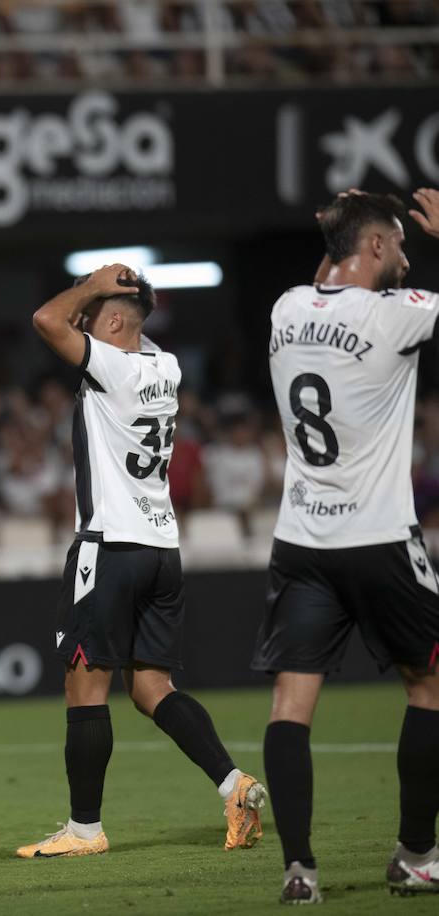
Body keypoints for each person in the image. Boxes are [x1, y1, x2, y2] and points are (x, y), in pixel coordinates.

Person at [18, 265, 266, 861]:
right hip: (162, 549)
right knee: (153, 687)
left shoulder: (113, 364)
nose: (79, 321)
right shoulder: (166, 366)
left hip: (109, 548)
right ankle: (236, 787)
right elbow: (118, 323)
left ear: (111, 319)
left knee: (86, 690)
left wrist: (93, 284)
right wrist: (117, 294)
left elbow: (45, 320)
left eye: (92, 313)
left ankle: (83, 831)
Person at [254, 188, 439, 903]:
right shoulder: (397, 315)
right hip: (379, 537)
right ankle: (417, 854)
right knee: (428, 686)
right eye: (396, 243)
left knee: (289, 707)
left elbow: (330, 271)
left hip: (301, 538)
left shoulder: (285, 309)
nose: (406, 254)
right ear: (372, 250)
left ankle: (299, 870)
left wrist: (347, 224)